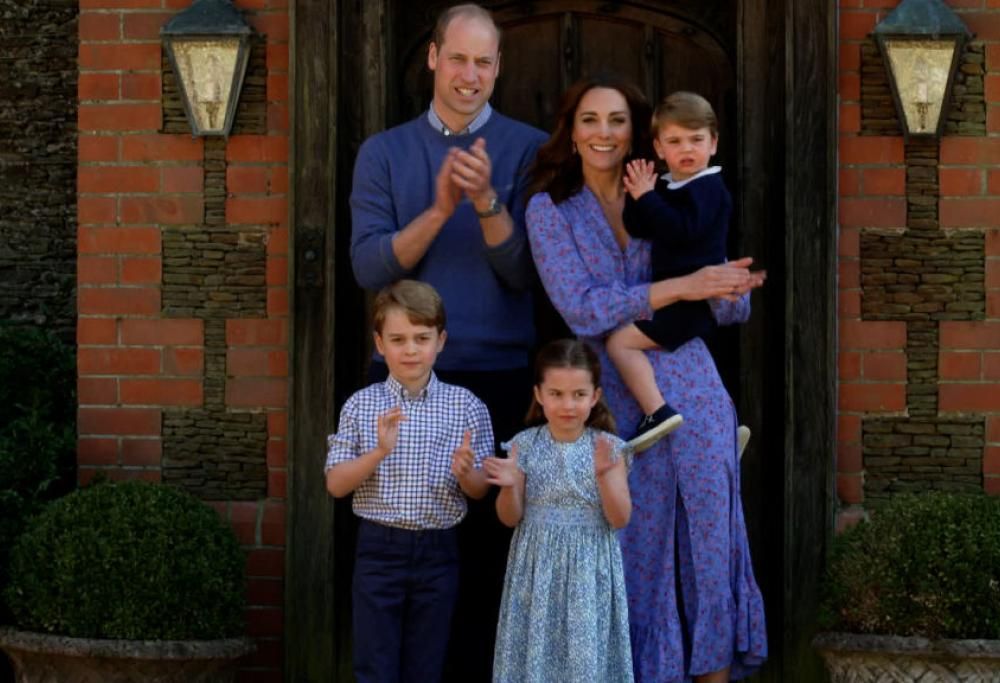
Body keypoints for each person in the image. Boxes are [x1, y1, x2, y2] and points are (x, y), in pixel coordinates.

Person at [524, 73, 768, 683]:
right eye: (589, 120)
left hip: (693, 378)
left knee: (711, 545)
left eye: (616, 120)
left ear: (640, 135)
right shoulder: (549, 208)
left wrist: (729, 287)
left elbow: (723, 301)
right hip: (611, 397)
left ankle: (714, 673)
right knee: (634, 550)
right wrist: (684, 286)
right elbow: (581, 307)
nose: (603, 133)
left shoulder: (674, 187)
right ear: (571, 132)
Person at [348, 4, 548, 678]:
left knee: (487, 565)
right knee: (399, 568)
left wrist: (488, 201)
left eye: (483, 62)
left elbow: (525, 274)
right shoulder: (384, 152)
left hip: (497, 376)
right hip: (403, 381)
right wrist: (438, 209)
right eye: (457, 58)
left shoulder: (530, 149)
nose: (469, 74)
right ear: (432, 57)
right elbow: (370, 268)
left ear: (498, 68)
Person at [325, 280, 493, 683]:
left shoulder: (466, 405)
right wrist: (378, 452)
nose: (411, 350)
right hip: (379, 549)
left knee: (426, 664)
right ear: (380, 344)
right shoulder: (362, 405)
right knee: (375, 663)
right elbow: (335, 485)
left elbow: (480, 489)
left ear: (441, 340)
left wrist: (466, 472)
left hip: (438, 550)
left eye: (422, 338)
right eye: (398, 339)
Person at [483, 339, 633, 683]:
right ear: (539, 394)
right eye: (556, 394)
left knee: (584, 659)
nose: (568, 404)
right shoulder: (524, 445)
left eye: (579, 394)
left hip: (589, 569)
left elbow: (620, 518)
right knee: (536, 654)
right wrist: (508, 485)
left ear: (594, 396)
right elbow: (509, 517)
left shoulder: (609, 448)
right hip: (536, 569)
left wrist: (606, 477)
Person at [606, 91, 731, 452]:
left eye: (696, 140)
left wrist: (649, 197)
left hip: (691, 303)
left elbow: (681, 230)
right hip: (674, 298)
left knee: (620, 342)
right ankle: (717, 433)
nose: (686, 149)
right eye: (675, 141)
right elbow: (640, 226)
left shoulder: (709, 188)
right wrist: (638, 194)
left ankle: (656, 412)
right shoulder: (669, 186)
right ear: (660, 148)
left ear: (713, 143)